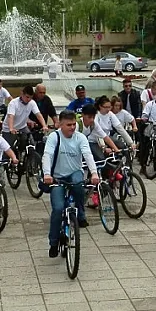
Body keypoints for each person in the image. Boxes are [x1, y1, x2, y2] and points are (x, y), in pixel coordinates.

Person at [42, 110, 98, 257]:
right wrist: (47, 174)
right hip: (57, 178)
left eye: (74, 124)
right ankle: (53, 242)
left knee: (78, 184)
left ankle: (80, 214)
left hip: (74, 173)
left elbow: (87, 154)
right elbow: (47, 155)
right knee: (58, 208)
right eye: (68, 125)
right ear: (60, 124)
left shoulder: (80, 138)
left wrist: (94, 173)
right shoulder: (54, 137)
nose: (72, 128)